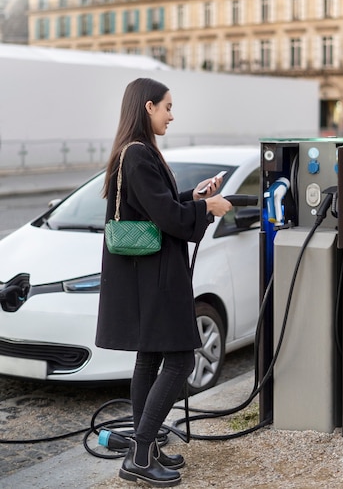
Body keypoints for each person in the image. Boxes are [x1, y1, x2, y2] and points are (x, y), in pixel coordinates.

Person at [95, 77, 232, 487]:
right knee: (180, 360)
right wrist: (208, 207)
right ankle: (139, 454)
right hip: (154, 278)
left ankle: (147, 447)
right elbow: (168, 218)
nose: (172, 115)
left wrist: (195, 196)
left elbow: (160, 206)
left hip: (148, 276)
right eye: (168, 107)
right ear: (148, 107)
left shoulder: (134, 153)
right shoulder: (137, 155)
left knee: (150, 358)